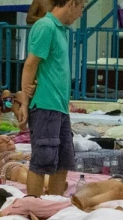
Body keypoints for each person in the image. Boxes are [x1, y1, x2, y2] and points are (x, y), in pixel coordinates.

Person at [17, 0, 85, 197]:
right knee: (41, 162)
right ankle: (33, 208)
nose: (81, 14)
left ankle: (53, 207)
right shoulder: (45, 26)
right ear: (72, 3)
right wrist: (24, 102)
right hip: (46, 105)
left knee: (63, 163)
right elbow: (30, 64)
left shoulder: (62, 31)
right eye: (81, 8)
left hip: (60, 107)